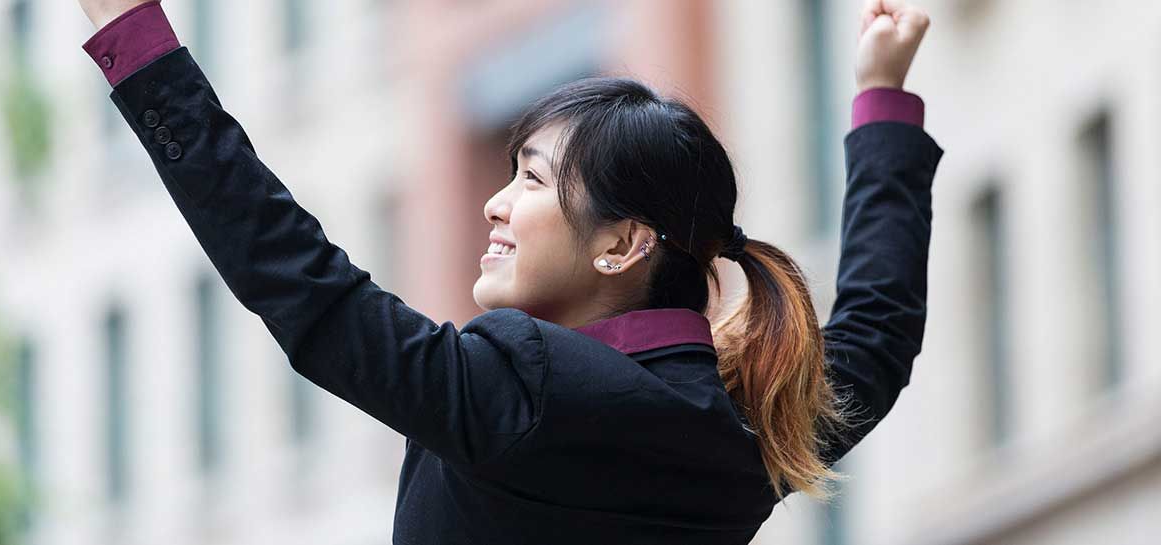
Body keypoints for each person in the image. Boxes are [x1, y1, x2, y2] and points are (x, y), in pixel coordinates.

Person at [75, 0, 942, 543]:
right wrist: (885, 97)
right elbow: (877, 334)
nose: (495, 204)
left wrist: (134, 34)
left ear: (622, 243)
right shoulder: (754, 429)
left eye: (530, 178)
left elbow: (302, 281)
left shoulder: (527, 387)